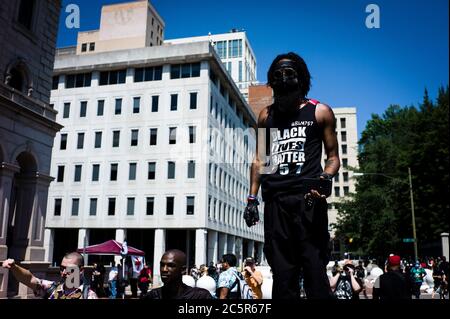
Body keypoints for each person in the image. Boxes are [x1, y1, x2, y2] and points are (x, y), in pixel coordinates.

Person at [246, 52, 340, 299]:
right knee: (283, 274)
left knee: (314, 271)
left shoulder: (319, 112)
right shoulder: (266, 116)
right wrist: (251, 199)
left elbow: (333, 158)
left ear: (301, 78)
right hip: (276, 202)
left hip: (308, 199)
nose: (283, 78)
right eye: (277, 74)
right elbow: (260, 160)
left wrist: (326, 178)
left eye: (289, 73)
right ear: (271, 80)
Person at [1, 252, 97, 299]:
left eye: (69, 270)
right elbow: (30, 279)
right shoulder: (52, 288)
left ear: (81, 270)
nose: (63, 273)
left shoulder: (89, 296)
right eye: (62, 268)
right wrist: (14, 267)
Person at [142, 249, 211, 299]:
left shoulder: (200, 296)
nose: (164, 269)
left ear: (183, 270)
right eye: (162, 265)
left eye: (171, 265)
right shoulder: (152, 296)